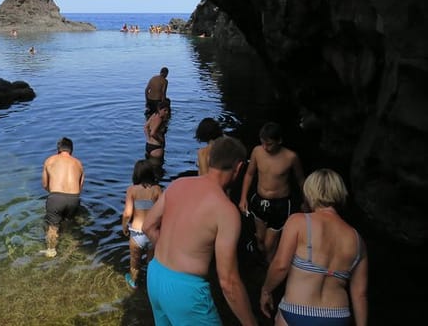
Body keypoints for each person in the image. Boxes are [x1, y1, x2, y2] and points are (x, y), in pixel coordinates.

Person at [143, 136, 258, 326]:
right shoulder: (226, 210)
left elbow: (148, 226)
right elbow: (228, 282)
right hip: (186, 291)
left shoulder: (178, 184)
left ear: (210, 159)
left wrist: (174, 254)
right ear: (238, 167)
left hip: (155, 275)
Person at [260, 168, 368, 326]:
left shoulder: (298, 222)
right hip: (337, 317)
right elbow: (360, 294)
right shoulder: (358, 240)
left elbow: (281, 266)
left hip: (298, 311)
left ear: (310, 192)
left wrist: (266, 290)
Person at [239, 122, 305, 263]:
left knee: (269, 245)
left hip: (280, 204)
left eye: (269, 144)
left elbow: (300, 180)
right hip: (259, 200)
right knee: (260, 240)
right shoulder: (257, 152)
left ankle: (270, 269)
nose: (265, 147)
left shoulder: (291, 157)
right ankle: (262, 261)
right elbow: (249, 174)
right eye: (262, 143)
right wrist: (243, 198)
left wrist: (306, 201)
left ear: (279, 141)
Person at [121, 159, 163, 289]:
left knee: (135, 262)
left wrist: (124, 226)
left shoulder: (132, 190)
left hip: (136, 233)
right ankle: (151, 286)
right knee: (151, 262)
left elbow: (127, 213)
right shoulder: (157, 190)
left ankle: (133, 282)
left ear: (136, 174)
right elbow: (162, 211)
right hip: (152, 232)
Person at [41, 137, 85, 258]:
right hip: (74, 198)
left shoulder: (49, 161)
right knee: (68, 223)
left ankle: (51, 250)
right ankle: (71, 247)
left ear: (58, 150)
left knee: (53, 227)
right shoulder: (78, 163)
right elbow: (80, 187)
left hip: (56, 198)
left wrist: (55, 194)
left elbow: (45, 185)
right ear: (71, 150)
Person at [144, 99, 170, 165]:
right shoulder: (160, 119)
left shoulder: (154, 115)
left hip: (149, 145)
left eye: (168, 110)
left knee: (149, 167)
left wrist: (148, 138)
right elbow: (153, 133)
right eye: (164, 110)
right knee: (158, 169)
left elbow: (146, 127)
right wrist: (161, 140)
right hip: (157, 147)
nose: (167, 112)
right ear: (159, 110)